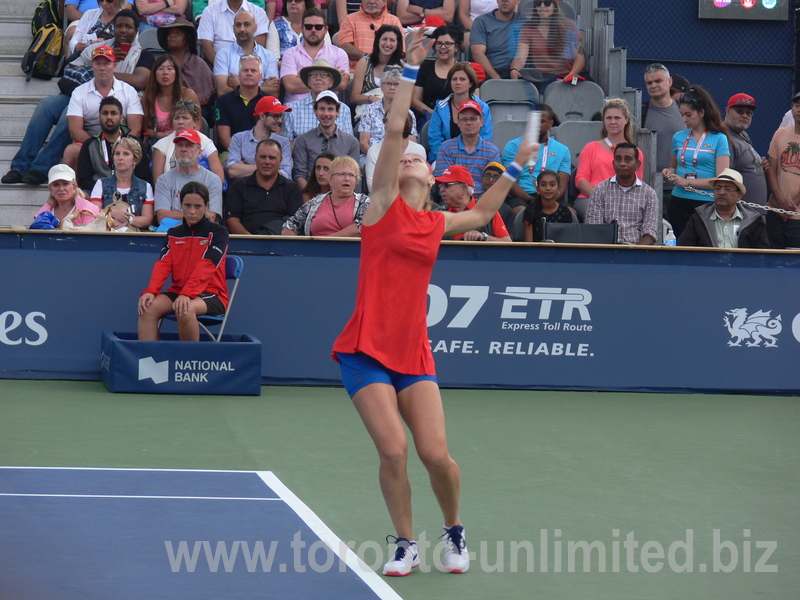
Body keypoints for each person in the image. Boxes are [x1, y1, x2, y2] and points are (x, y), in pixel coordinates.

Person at [331, 29, 538, 578]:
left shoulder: (437, 223)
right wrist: (408, 68)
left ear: (432, 175)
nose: (409, 163)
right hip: (365, 350)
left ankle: (454, 530)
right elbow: (397, 128)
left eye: (418, 162)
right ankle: (405, 543)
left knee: (435, 456)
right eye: (404, 161)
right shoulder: (378, 208)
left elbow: (486, 207)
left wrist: (518, 163)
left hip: (413, 353)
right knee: (394, 450)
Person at [138, 181, 230, 341]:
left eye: (198, 206)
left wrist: (188, 293)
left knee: (185, 309)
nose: (192, 211)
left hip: (212, 295)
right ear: (180, 205)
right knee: (147, 308)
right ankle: (149, 364)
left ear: (207, 206)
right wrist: (151, 290)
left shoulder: (218, 233)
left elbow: (206, 266)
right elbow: (163, 265)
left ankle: (189, 363)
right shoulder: (174, 233)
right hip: (179, 292)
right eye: (187, 206)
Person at [662, 85, 730, 238]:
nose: (684, 119)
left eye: (689, 115)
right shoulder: (678, 137)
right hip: (679, 200)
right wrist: (670, 172)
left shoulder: (719, 138)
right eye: (682, 115)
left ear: (702, 112)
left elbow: (721, 180)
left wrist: (687, 182)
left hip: (706, 202)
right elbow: (673, 166)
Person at [575, 97, 643, 219]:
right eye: (609, 118)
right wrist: (601, 198)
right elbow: (581, 179)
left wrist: (616, 201)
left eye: (617, 118)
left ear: (626, 120)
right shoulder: (590, 147)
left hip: (623, 201)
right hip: (590, 199)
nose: (613, 122)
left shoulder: (635, 152)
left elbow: (636, 183)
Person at [586, 142, 659, 245]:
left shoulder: (649, 194)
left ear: (638, 164)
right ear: (613, 163)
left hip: (637, 252)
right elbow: (594, 228)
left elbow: (650, 233)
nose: (622, 163)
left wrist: (632, 254)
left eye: (628, 159)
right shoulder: (600, 190)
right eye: (618, 159)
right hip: (606, 251)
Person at [502, 103, 570, 213]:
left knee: (571, 212)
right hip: (523, 196)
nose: (536, 125)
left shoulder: (563, 150)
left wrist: (547, 202)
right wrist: (530, 199)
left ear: (550, 123)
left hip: (551, 197)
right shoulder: (513, 146)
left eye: (541, 121)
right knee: (520, 211)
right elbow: (510, 182)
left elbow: (561, 187)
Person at [226, 138, 304, 234]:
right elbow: (232, 220)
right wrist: (253, 241)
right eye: (263, 157)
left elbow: (295, 223)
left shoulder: (292, 188)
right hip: (246, 244)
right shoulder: (238, 186)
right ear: (255, 158)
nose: (267, 162)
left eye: (272, 158)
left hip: (280, 243)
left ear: (280, 160)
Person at [678, 168, 769, 249]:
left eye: (728, 189)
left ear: (739, 195)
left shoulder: (754, 220)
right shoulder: (699, 217)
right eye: (717, 188)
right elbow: (684, 249)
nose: (721, 192)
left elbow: (762, 254)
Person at [76, 96, 151, 192]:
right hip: (99, 193)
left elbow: (144, 177)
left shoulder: (135, 143)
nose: (109, 117)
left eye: (114, 113)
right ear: (99, 117)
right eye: (105, 113)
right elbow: (83, 180)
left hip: (130, 192)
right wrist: (106, 189)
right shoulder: (89, 145)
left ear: (121, 118)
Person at [282, 155, 369, 236]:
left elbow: (362, 227)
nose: (347, 179)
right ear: (330, 179)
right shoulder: (314, 202)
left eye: (351, 175)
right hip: (314, 251)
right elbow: (289, 227)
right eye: (341, 174)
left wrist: (327, 243)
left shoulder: (364, 202)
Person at [291, 90, 360, 189]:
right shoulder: (302, 140)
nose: (326, 114)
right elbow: (299, 174)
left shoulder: (351, 142)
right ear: (315, 111)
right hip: (311, 194)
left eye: (330, 109)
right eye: (322, 109)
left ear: (337, 112)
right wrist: (311, 199)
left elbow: (353, 175)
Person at [280, 8, 349, 104]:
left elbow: (342, 84)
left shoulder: (339, 53)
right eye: (308, 27)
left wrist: (303, 79)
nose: (313, 30)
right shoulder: (290, 53)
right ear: (302, 28)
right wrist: (330, 77)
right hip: (295, 110)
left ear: (326, 30)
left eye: (318, 27)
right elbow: (291, 85)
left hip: (328, 109)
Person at [154, 129, 224, 222]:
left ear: (199, 153)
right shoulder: (164, 179)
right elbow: (161, 216)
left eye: (189, 146)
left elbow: (211, 217)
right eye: (179, 145)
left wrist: (176, 215)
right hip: (173, 233)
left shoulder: (213, 179)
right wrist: (197, 214)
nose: (183, 149)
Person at [427, 62, 491, 163]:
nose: (457, 82)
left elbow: (485, 137)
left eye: (462, 79)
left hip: (475, 159)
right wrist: (448, 157)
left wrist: (469, 159)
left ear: (470, 83)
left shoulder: (483, 108)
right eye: (454, 79)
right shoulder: (440, 107)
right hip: (444, 158)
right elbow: (435, 138)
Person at [433, 100, 500, 196]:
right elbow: (443, 183)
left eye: (473, 119)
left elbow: (494, 185)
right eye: (464, 119)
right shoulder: (446, 148)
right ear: (458, 122)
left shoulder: (492, 151)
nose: (468, 123)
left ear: (481, 122)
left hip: (483, 200)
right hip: (453, 199)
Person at [511, 0, 584, 88]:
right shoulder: (528, 28)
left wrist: (571, 74)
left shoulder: (569, 25)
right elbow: (521, 57)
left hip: (568, 76)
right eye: (538, 3)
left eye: (547, 3)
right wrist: (514, 69)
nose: (542, 6)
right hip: (544, 77)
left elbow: (579, 57)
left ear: (555, 6)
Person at [152, 100, 225, 184]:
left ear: (195, 122)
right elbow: (157, 182)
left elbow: (220, 178)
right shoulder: (161, 145)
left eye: (185, 118)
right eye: (176, 118)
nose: (180, 122)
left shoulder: (206, 143)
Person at [89, 137, 155, 229]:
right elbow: (93, 213)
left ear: (135, 160)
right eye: (117, 154)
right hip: (106, 234)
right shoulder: (101, 183)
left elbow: (148, 219)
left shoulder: (145, 186)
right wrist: (114, 213)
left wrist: (127, 220)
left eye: (126, 154)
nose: (120, 158)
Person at [281, 59, 354, 140]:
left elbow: (348, 142)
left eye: (323, 75)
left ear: (331, 82)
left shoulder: (343, 109)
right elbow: (287, 145)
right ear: (308, 81)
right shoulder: (292, 109)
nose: (318, 78)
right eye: (314, 75)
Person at [640, 63, 685, 195]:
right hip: (649, 186)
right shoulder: (640, 111)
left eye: (658, 81)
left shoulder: (685, 110)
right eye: (649, 83)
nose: (653, 85)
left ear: (669, 81)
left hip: (681, 185)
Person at [213, 10, 280, 97]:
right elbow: (222, 92)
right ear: (233, 28)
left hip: (261, 107)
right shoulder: (223, 54)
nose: (242, 29)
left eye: (247, 24)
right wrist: (262, 88)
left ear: (255, 28)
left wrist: (239, 86)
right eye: (238, 25)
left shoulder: (268, 56)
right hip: (234, 106)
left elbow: (274, 93)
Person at [226, 96, 293, 180]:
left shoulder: (283, 142)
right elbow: (232, 171)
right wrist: (272, 168)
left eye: (280, 116)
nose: (280, 120)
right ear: (262, 116)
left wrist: (245, 167)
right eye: (276, 116)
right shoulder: (239, 138)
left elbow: (285, 174)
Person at [764, 91, 800, 249]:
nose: (799, 109)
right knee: (773, 259)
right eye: (797, 105)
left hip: (796, 216)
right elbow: (771, 170)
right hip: (774, 210)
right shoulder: (780, 134)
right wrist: (779, 202)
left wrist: (790, 207)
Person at [438, 165, 510, 241]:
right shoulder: (438, 213)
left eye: (447, 185)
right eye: (441, 185)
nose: (441, 189)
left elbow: (507, 243)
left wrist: (483, 237)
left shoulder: (488, 210)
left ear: (464, 189)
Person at [156, 19, 216, 110]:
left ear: (187, 39)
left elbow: (207, 95)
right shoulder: (160, 63)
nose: (172, 35)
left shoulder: (199, 63)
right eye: (170, 33)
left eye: (178, 33)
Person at [214, 54, 268, 150]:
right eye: (245, 70)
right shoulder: (223, 101)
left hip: (263, 154)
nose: (249, 73)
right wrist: (239, 155)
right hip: (231, 152)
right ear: (239, 75)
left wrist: (257, 156)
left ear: (261, 77)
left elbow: (274, 136)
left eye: (254, 70)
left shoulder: (269, 101)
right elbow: (224, 138)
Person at [358, 67, 417, 155]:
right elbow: (363, 143)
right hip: (372, 155)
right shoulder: (369, 110)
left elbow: (412, 143)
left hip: (400, 157)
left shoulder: (408, 113)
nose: (392, 87)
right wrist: (377, 158)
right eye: (388, 83)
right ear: (381, 86)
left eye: (396, 84)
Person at [142, 54, 201, 141]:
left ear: (176, 73)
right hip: (159, 143)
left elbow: (198, 125)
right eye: (161, 69)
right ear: (154, 74)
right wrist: (160, 135)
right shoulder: (148, 97)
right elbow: (145, 128)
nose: (165, 72)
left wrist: (182, 137)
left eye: (170, 69)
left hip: (186, 141)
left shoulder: (188, 95)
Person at [724, 93, 768, 209]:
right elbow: (724, 178)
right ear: (728, 111)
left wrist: (758, 163)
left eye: (749, 113)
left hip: (754, 211)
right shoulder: (725, 137)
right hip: (740, 212)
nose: (745, 116)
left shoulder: (743, 134)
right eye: (740, 111)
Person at [411, 25, 460, 122]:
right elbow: (415, 100)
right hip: (429, 119)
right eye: (439, 43)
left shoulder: (464, 70)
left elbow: (471, 100)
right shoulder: (425, 68)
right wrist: (433, 114)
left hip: (456, 120)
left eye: (448, 44)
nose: (443, 47)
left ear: (456, 47)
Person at [337, 0, 404, 72]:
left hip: (387, 72)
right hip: (356, 71)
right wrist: (369, 58)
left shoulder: (394, 21)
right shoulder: (349, 19)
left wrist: (379, 62)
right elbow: (345, 46)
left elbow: (400, 50)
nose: (371, 1)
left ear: (385, 1)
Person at [350, 25, 404, 113]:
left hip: (393, 112)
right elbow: (354, 97)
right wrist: (371, 98)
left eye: (392, 40)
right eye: (384, 39)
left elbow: (405, 97)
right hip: (367, 110)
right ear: (377, 41)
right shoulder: (364, 63)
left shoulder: (402, 67)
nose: (387, 44)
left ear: (398, 44)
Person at [197, 0, 270, 66]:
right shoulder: (210, 11)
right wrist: (222, 69)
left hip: (250, 69)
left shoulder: (258, 12)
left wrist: (243, 71)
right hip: (217, 66)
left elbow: (258, 48)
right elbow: (207, 48)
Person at [365, 113, 425, 191]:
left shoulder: (418, 150)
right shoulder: (373, 151)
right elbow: (372, 186)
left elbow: (420, 183)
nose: (386, 125)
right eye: (386, 121)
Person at [32, 165, 101, 228]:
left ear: (74, 187)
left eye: (65, 184)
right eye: (56, 185)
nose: (61, 189)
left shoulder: (88, 210)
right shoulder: (43, 213)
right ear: (50, 189)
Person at [470, 0, 524, 80]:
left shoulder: (524, 21)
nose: (504, 0)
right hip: (491, 72)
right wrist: (496, 78)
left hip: (518, 73)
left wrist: (514, 70)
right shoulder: (481, 21)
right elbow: (477, 53)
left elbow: (523, 53)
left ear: (518, 1)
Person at [522, 168, 576, 242]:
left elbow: (567, 241)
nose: (548, 188)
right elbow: (528, 245)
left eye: (552, 185)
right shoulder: (530, 211)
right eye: (543, 185)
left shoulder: (565, 212)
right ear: (537, 189)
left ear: (559, 189)